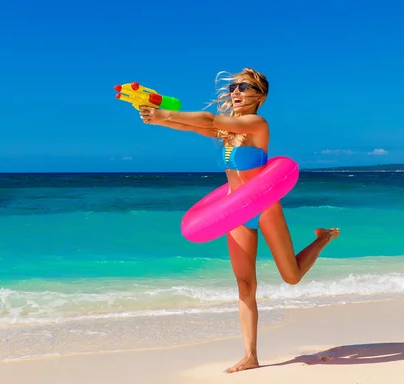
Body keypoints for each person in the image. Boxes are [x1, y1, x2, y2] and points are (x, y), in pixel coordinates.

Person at [139, 68, 340, 373]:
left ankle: (322, 238)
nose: (236, 91)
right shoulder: (229, 134)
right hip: (236, 213)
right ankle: (250, 355)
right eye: (233, 86)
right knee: (245, 285)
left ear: (260, 95)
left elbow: (208, 120)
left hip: (264, 208)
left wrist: (166, 113)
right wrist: (160, 119)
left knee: (292, 277)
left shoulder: (257, 124)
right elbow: (197, 128)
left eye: (244, 87)